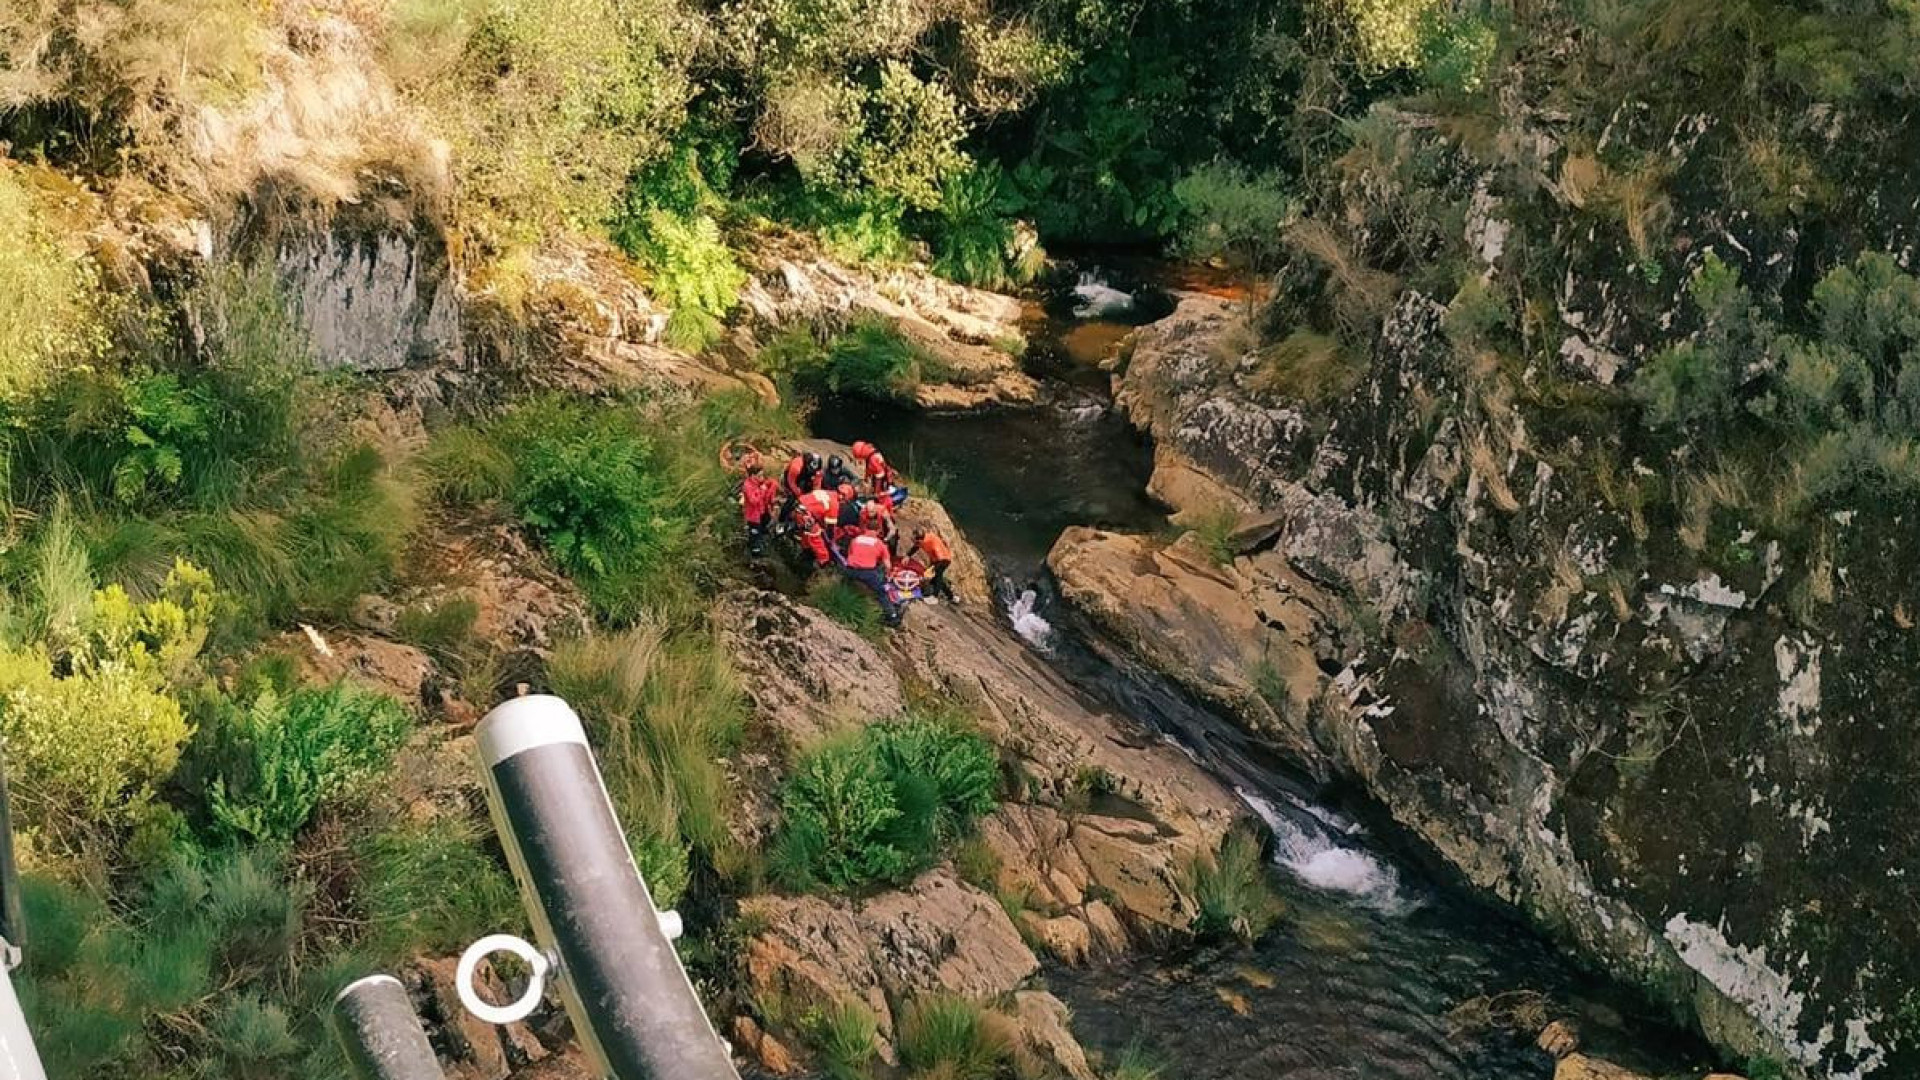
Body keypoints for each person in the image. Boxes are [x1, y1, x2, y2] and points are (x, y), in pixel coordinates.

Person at [843, 527, 901, 627]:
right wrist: (888, 575)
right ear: (878, 531)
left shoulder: (856, 539)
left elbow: (850, 554)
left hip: (850, 570)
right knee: (881, 592)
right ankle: (892, 616)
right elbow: (888, 565)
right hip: (867, 572)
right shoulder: (880, 544)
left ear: (865, 530)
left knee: (845, 583)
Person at [739, 460, 779, 556]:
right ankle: (755, 551)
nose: (762, 478)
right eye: (760, 475)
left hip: (761, 511)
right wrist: (762, 491)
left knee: (765, 522)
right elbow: (753, 501)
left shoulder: (758, 483)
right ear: (753, 475)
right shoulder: (748, 486)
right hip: (753, 515)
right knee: (755, 533)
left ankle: (760, 538)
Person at [910, 526, 956, 602]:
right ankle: (951, 596)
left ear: (920, 540)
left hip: (944, 559)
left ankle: (934, 596)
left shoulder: (932, 542)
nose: (914, 542)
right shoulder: (923, 539)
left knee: (937, 576)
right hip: (936, 560)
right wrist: (908, 556)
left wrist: (932, 569)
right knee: (937, 578)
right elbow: (916, 547)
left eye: (915, 541)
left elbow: (941, 559)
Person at [780, 450, 824, 521]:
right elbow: (791, 482)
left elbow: (817, 485)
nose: (811, 470)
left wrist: (812, 497)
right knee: (791, 498)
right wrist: (799, 494)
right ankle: (782, 518)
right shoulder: (796, 466)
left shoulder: (818, 471)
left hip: (805, 479)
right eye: (809, 468)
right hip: (790, 478)